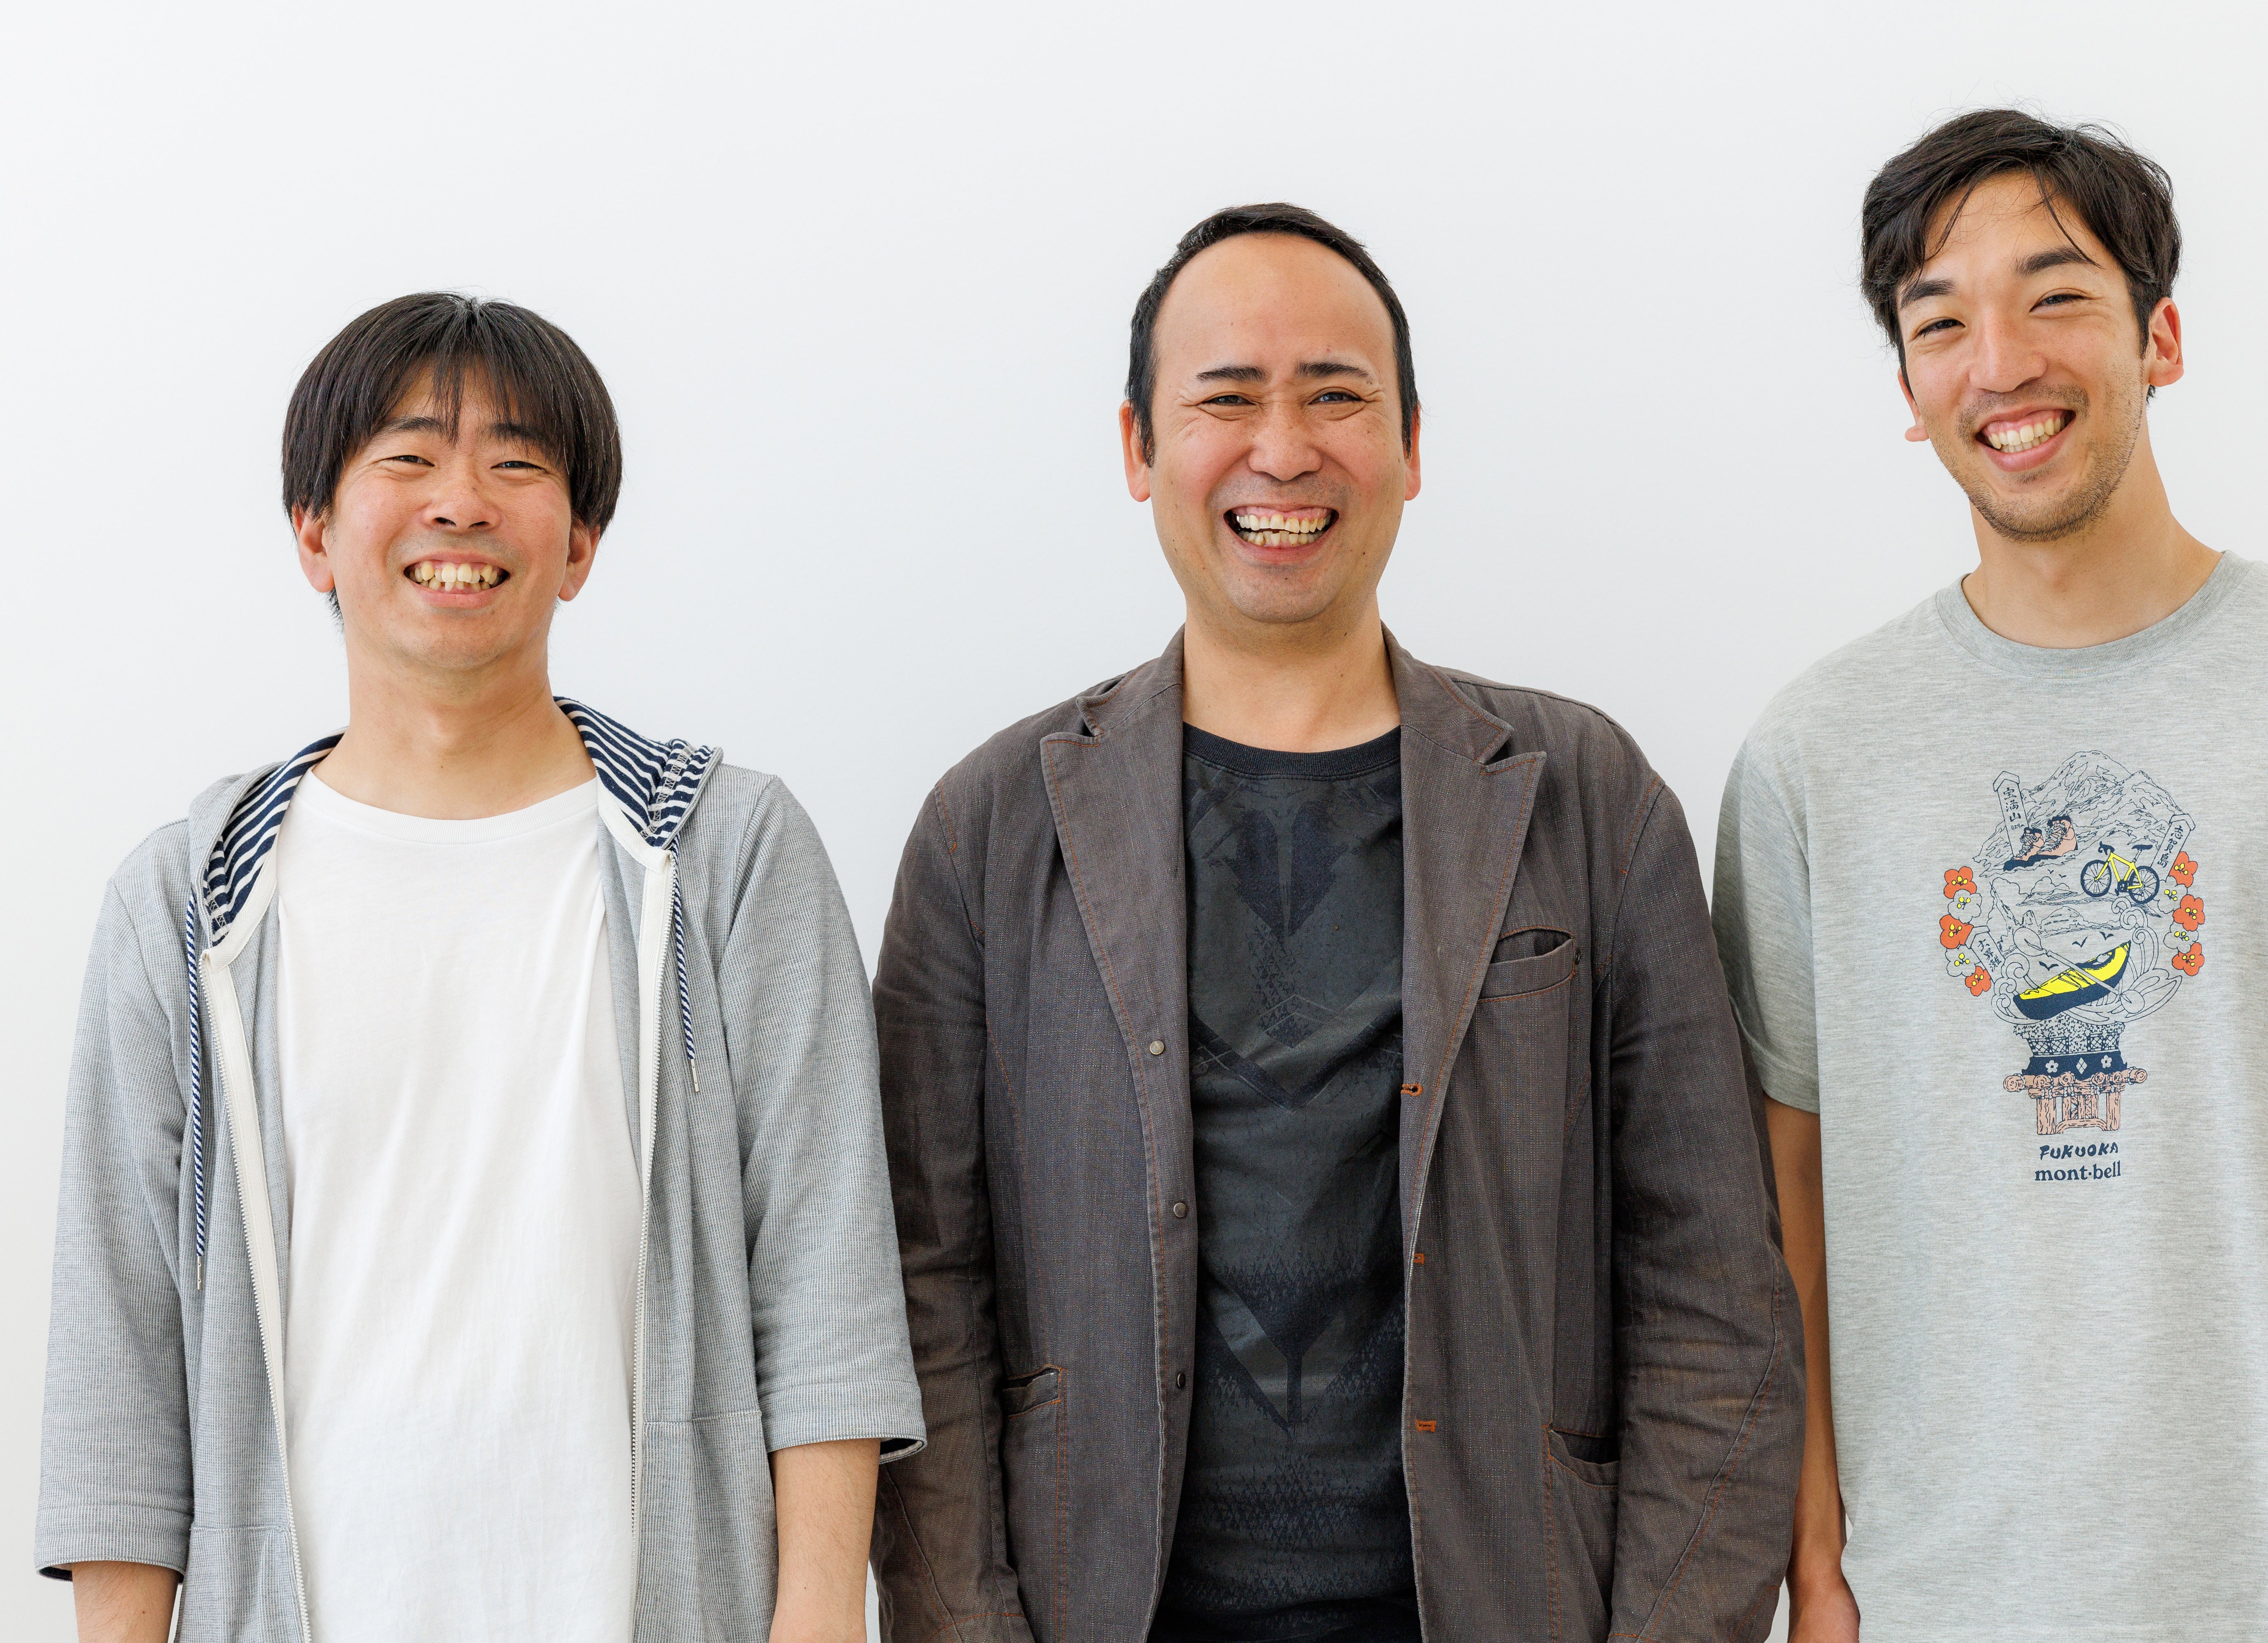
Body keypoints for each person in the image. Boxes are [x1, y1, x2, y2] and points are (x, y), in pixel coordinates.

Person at [869, 203, 1801, 1643]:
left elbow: (1712, 1291)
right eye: (1226, 398)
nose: (1284, 450)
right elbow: (921, 1302)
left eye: (1336, 396)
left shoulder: (1587, 799)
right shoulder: (989, 830)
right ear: (1138, 446)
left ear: (1413, 446)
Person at [36, 293, 923, 1642]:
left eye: (516, 463)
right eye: (407, 457)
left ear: (580, 544)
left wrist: (817, 1623)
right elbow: (121, 1355)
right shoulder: (189, 904)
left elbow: (825, 1280)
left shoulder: (724, 853)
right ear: (313, 532)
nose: (460, 502)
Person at [1713, 110, 2268, 1641]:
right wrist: (1815, 1568)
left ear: (2159, 338)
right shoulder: (1813, 754)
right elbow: (1780, 1188)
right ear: (1910, 392)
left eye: (2055, 297)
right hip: (1933, 1600)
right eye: (1941, 323)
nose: (2000, 363)